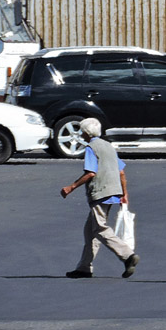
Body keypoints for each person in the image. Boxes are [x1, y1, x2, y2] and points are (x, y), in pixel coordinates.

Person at [60, 118, 139, 279]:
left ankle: (127, 255)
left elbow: (90, 173)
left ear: (87, 133)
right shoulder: (108, 146)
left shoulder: (91, 147)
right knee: (90, 230)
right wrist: (124, 193)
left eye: (82, 131)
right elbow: (121, 171)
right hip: (113, 192)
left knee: (99, 228)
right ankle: (84, 267)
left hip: (101, 192)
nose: (81, 134)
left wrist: (71, 187)